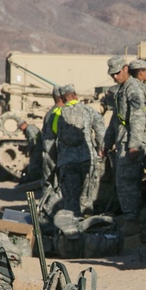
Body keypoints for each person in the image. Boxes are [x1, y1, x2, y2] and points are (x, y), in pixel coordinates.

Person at [104, 56, 146, 220]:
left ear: (125, 69)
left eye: (117, 73)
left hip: (131, 142)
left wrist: (135, 145)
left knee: (127, 182)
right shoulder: (122, 90)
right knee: (123, 181)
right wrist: (106, 143)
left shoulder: (133, 89)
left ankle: (132, 219)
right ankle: (130, 216)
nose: (115, 77)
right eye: (112, 75)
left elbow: (138, 118)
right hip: (124, 141)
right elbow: (115, 119)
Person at [56, 86, 106, 216]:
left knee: (70, 200)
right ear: (75, 96)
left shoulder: (57, 114)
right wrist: (101, 148)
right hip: (87, 159)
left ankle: (70, 231)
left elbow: (49, 140)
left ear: (62, 98)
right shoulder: (88, 110)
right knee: (86, 198)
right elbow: (100, 130)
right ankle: (86, 226)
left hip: (66, 161)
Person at [40, 86, 67, 185]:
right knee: (52, 186)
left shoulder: (50, 112)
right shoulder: (58, 113)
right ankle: (32, 201)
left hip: (49, 154)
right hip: (54, 154)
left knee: (48, 185)